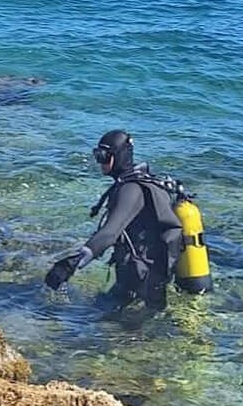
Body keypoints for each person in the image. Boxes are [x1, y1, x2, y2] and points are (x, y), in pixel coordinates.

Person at [45, 130, 183, 311]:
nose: (99, 162)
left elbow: (110, 233)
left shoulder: (131, 189)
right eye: (97, 155)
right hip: (147, 277)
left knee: (104, 324)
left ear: (118, 156)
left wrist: (71, 264)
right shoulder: (138, 181)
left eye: (103, 156)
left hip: (140, 281)